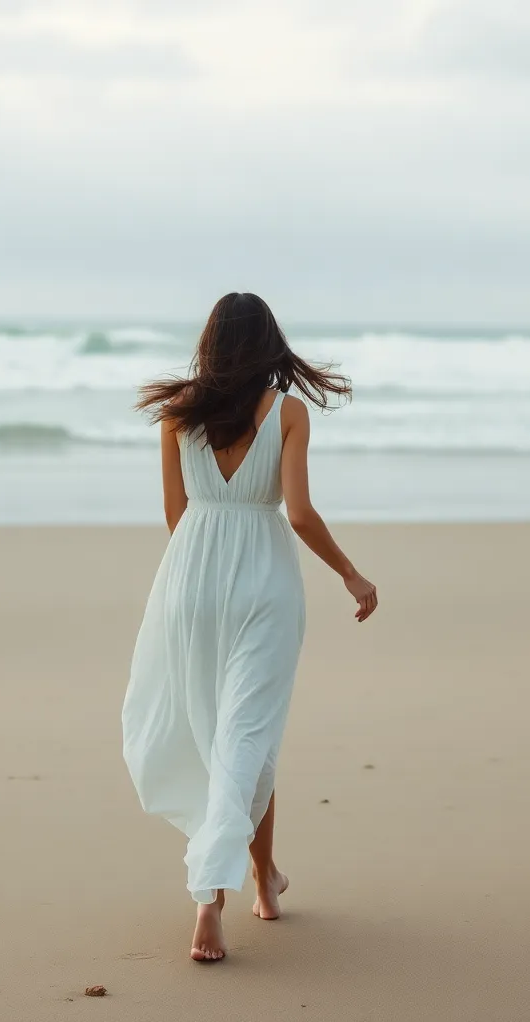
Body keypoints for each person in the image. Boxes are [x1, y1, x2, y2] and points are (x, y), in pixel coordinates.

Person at [122, 292, 378, 962]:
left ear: (210, 343)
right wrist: (350, 573)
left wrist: (204, 573)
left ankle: (263, 880)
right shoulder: (288, 413)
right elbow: (298, 514)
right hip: (265, 586)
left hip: (190, 582)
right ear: (270, 343)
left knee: (230, 738)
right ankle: (209, 894)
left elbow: (176, 513)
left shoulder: (178, 414)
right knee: (247, 734)